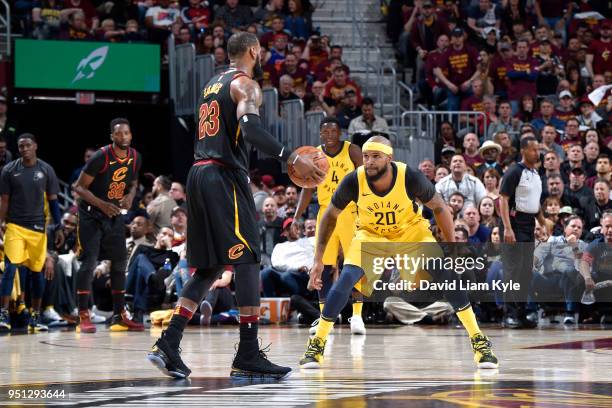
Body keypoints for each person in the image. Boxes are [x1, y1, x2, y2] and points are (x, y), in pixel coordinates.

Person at [147, 32, 324, 380]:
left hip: (198, 173)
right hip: (222, 175)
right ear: (254, 51)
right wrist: (290, 157)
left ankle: (168, 342)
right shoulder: (246, 85)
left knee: (211, 268)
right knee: (247, 258)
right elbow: (252, 129)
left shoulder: (211, 84)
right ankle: (247, 352)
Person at [300, 136, 498, 370]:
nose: (369, 162)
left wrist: (452, 248)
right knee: (345, 280)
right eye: (365, 156)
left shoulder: (409, 176)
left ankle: (478, 340)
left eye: (375, 156)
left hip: (411, 234)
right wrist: (318, 260)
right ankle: (318, 343)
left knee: (446, 275)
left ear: (389, 158)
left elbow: (439, 208)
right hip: (371, 236)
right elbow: (329, 216)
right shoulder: (354, 180)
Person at [293, 116, 365, 334]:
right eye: (326, 132)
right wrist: (297, 216)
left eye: (334, 132)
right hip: (325, 213)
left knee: (353, 264)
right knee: (322, 265)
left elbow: (366, 181)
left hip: (350, 212)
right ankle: (326, 318)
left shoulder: (352, 150)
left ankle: (357, 317)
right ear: (320, 134)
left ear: (340, 133)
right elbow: (307, 188)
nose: (330, 136)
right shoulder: (313, 155)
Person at [72, 118, 144, 334]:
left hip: (113, 216)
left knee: (120, 262)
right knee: (89, 261)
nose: (123, 137)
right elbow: (79, 188)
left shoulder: (135, 157)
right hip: (91, 215)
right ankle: (82, 314)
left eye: (126, 133)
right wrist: (103, 204)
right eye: (118, 134)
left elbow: (133, 182)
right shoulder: (100, 156)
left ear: (131, 135)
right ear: (112, 136)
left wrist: (130, 196)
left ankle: (119, 315)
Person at [0, 133, 61, 333]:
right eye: (20, 146)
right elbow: (4, 201)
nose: (24, 149)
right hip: (15, 226)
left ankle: (35, 315)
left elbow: (53, 200)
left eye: (27, 145)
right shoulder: (9, 170)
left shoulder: (46, 170)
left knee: (37, 273)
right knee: (10, 268)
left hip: (37, 229)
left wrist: (58, 225)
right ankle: (4, 312)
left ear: (35, 146)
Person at [498, 136, 546, 329]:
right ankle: (508, 313)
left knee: (525, 271)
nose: (537, 152)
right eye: (533, 149)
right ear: (524, 151)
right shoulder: (514, 172)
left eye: (538, 149)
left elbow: (535, 203)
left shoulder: (535, 174)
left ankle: (521, 310)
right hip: (513, 223)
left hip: (528, 223)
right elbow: (502, 200)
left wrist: (542, 223)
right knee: (512, 270)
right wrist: (507, 228)